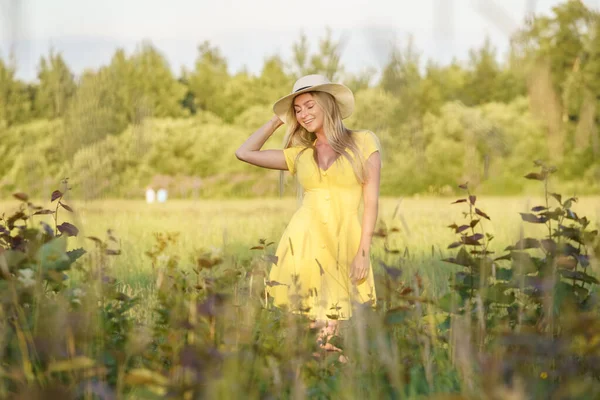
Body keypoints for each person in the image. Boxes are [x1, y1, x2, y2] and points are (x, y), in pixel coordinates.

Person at [235, 74, 381, 352]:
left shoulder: (364, 143)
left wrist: (363, 250)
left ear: (328, 104)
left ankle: (336, 386)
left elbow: (371, 202)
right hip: (302, 243)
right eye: (297, 109)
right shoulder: (299, 153)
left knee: (329, 333)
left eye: (310, 105)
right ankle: (322, 387)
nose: (303, 114)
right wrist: (279, 119)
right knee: (314, 337)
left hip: (342, 243)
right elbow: (244, 152)